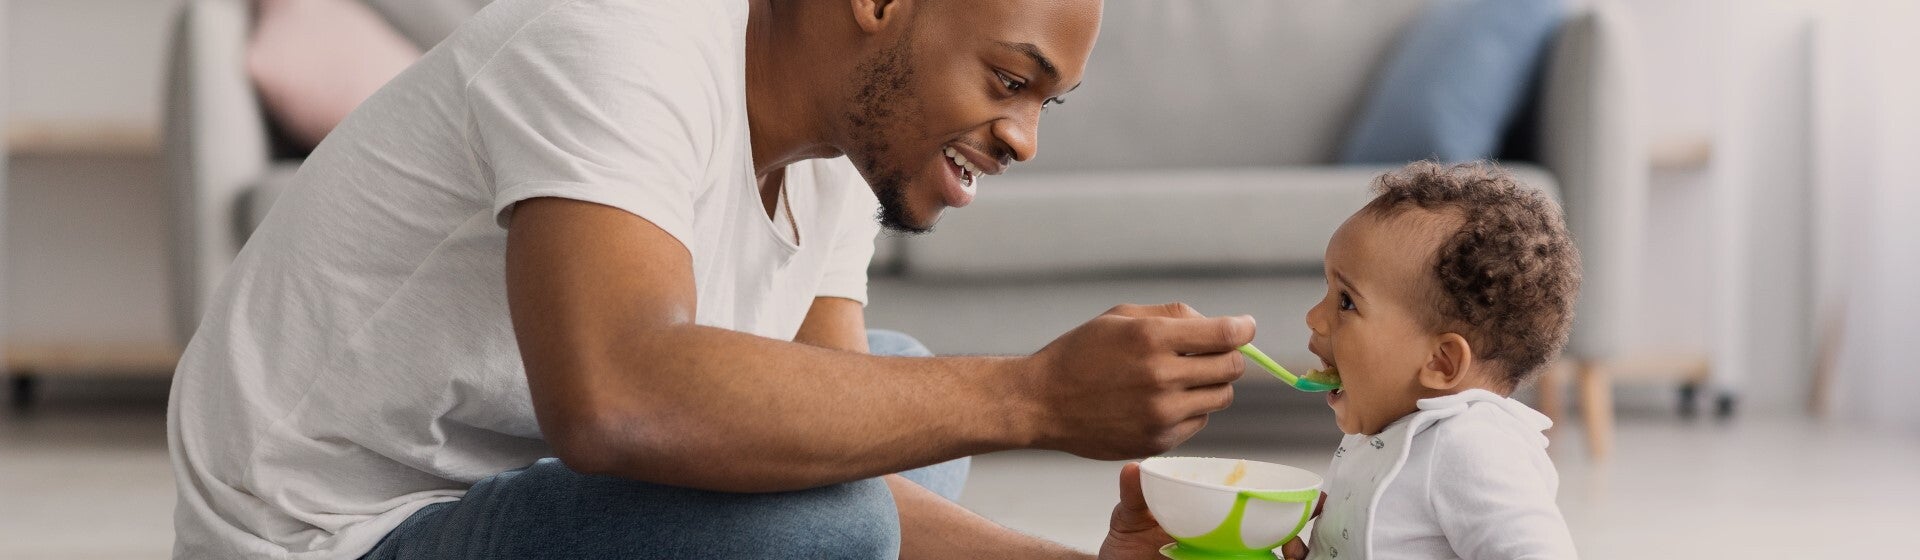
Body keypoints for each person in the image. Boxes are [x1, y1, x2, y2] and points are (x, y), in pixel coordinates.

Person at [167, 0, 1252, 558]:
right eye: (1010, 79)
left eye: (1044, 103)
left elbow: (847, 461)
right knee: (838, 517)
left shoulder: (838, 155)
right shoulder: (620, 40)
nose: (1022, 137)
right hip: (337, 536)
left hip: (520, 486)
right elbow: (616, 398)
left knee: (895, 407)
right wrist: (1036, 396)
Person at [1294, 162, 1580, 559]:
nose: (1314, 317)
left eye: (1346, 301)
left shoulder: (1470, 444)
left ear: (1441, 362)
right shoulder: (1393, 430)